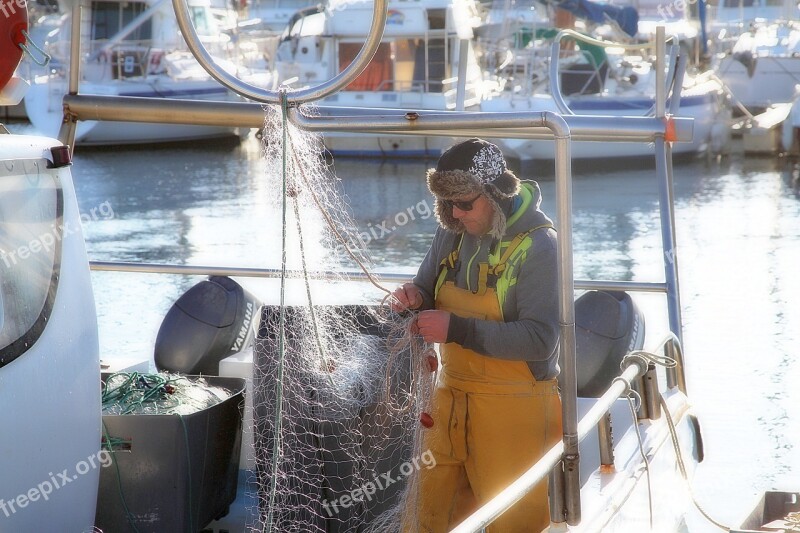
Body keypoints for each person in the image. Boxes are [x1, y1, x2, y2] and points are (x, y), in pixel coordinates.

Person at [392, 138, 562, 533]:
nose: (454, 213)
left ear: (497, 195)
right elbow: (425, 290)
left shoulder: (539, 246)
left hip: (513, 410)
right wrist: (414, 298)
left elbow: (541, 340)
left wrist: (457, 329)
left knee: (513, 522)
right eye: (446, 203)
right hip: (449, 399)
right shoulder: (450, 231)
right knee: (425, 517)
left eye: (465, 203)